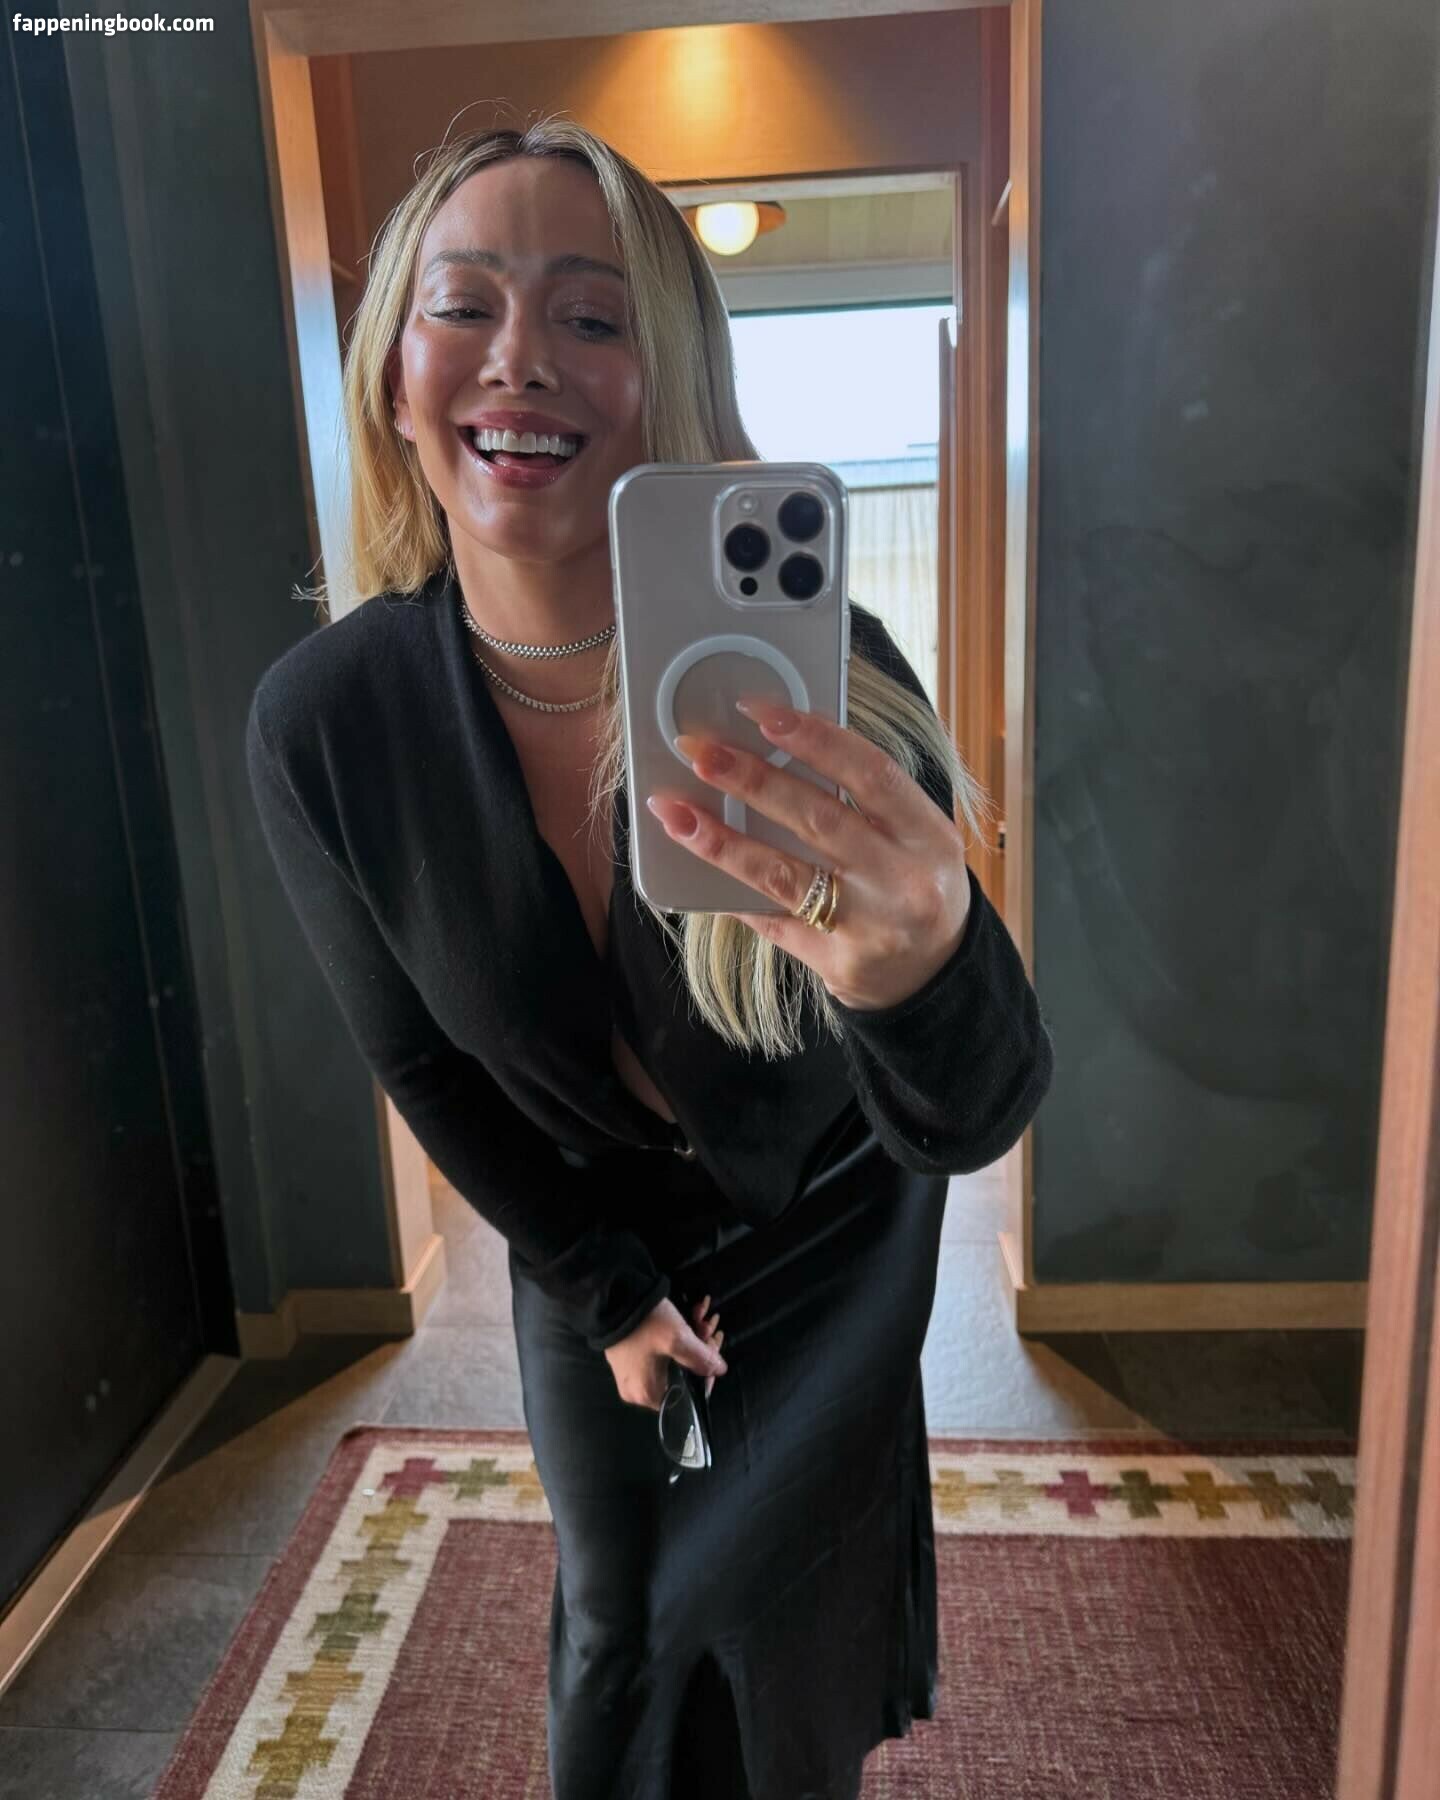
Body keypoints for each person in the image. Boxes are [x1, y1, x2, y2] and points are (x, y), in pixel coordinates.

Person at [245, 115, 1054, 1800]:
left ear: (666, 375)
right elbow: (421, 1064)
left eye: (592, 316)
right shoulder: (329, 722)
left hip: (831, 1233)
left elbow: (974, 1113)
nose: (520, 358)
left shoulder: (824, 679)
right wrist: (609, 1294)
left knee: (763, 1608)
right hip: (585, 1230)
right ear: (395, 374)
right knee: (620, 1619)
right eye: (465, 305)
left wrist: (925, 964)